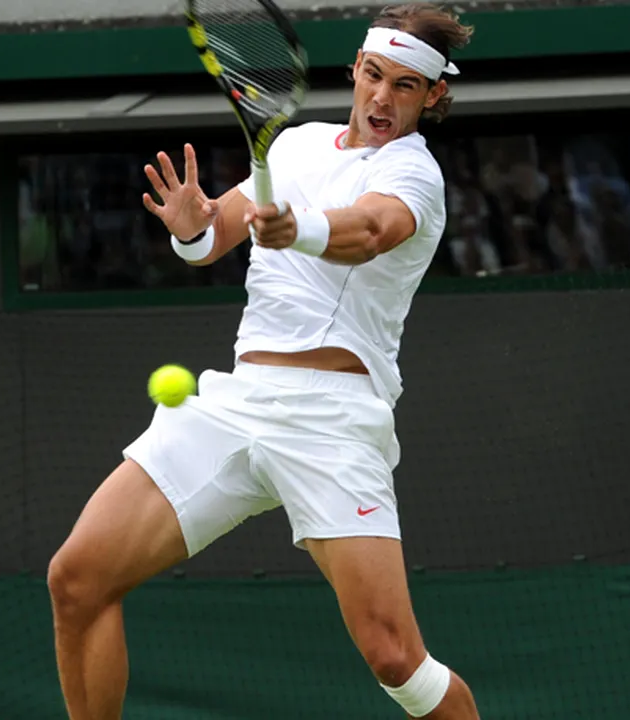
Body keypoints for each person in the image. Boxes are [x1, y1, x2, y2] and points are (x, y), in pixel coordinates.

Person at [47, 3, 482, 719]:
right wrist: (192, 228)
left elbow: (372, 230)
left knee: (395, 658)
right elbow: (218, 232)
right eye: (374, 75)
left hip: (332, 418)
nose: (381, 97)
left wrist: (302, 228)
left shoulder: (416, 174)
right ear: (355, 71)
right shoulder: (296, 146)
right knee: (77, 580)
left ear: (432, 97)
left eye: (405, 86)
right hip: (238, 399)